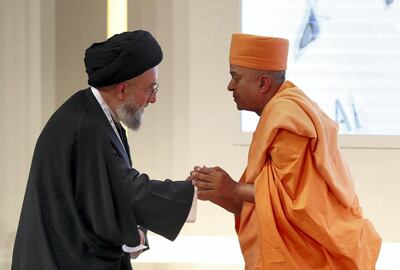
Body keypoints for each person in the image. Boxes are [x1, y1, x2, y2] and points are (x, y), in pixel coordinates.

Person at [189, 33, 381, 269]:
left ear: (263, 84)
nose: (230, 86)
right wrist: (218, 191)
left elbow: (296, 201)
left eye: (235, 78)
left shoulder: (286, 117)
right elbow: (265, 202)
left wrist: (231, 187)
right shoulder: (280, 110)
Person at [12, 30, 196, 270]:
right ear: (122, 90)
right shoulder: (85, 125)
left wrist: (133, 236)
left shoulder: (95, 115)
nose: (153, 99)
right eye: (150, 89)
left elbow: (101, 196)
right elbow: (124, 190)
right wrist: (193, 191)